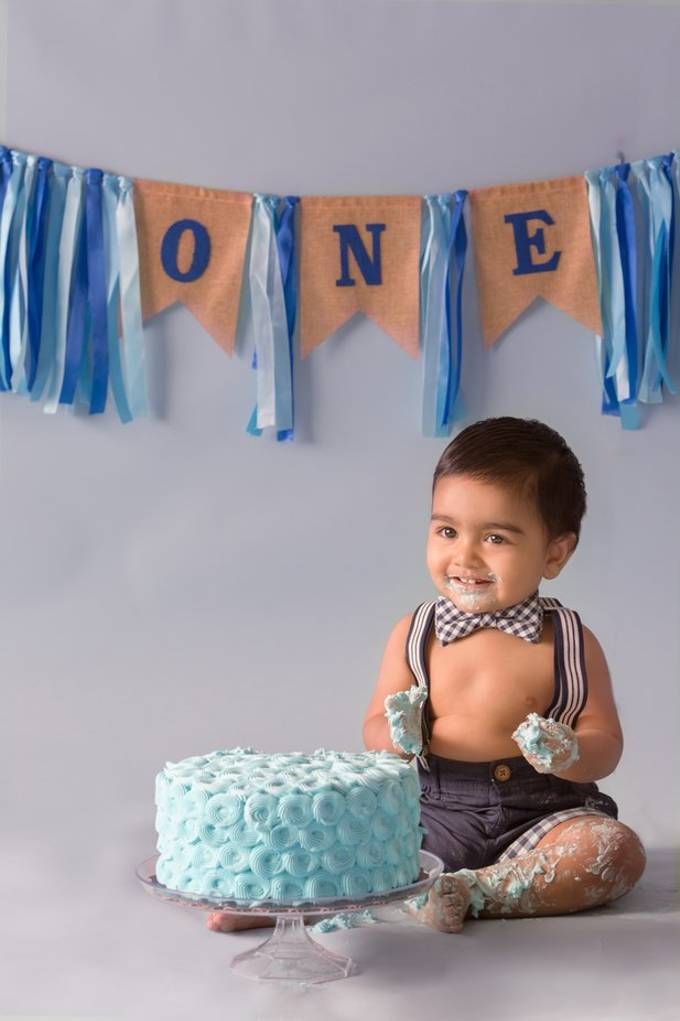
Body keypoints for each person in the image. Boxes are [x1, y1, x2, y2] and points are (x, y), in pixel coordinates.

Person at [362, 415, 646, 932]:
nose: (464, 555)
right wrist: (397, 735)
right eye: (447, 530)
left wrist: (571, 752)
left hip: (541, 813)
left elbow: (606, 738)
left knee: (614, 851)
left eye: (495, 537)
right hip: (435, 809)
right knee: (347, 843)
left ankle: (475, 891)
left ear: (555, 553)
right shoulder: (415, 632)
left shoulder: (569, 640)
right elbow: (373, 731)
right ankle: (269, 904)